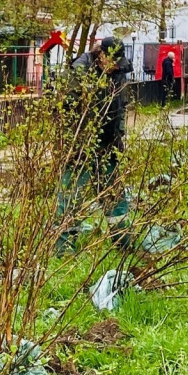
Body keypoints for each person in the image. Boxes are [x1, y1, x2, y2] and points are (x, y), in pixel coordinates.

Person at [57, 36, 133, 250]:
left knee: (115, 195)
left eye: (118, 61)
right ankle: (62, 250)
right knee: (72, 199)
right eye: (112, 61)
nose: (116, 65)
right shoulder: (79, 72)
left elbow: (121, 106)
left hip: (109, 145)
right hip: (81, 148)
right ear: (100, 55)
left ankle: (123, 243)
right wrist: (75, 145)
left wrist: (119, 135)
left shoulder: (118, 73)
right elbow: (63, 111)